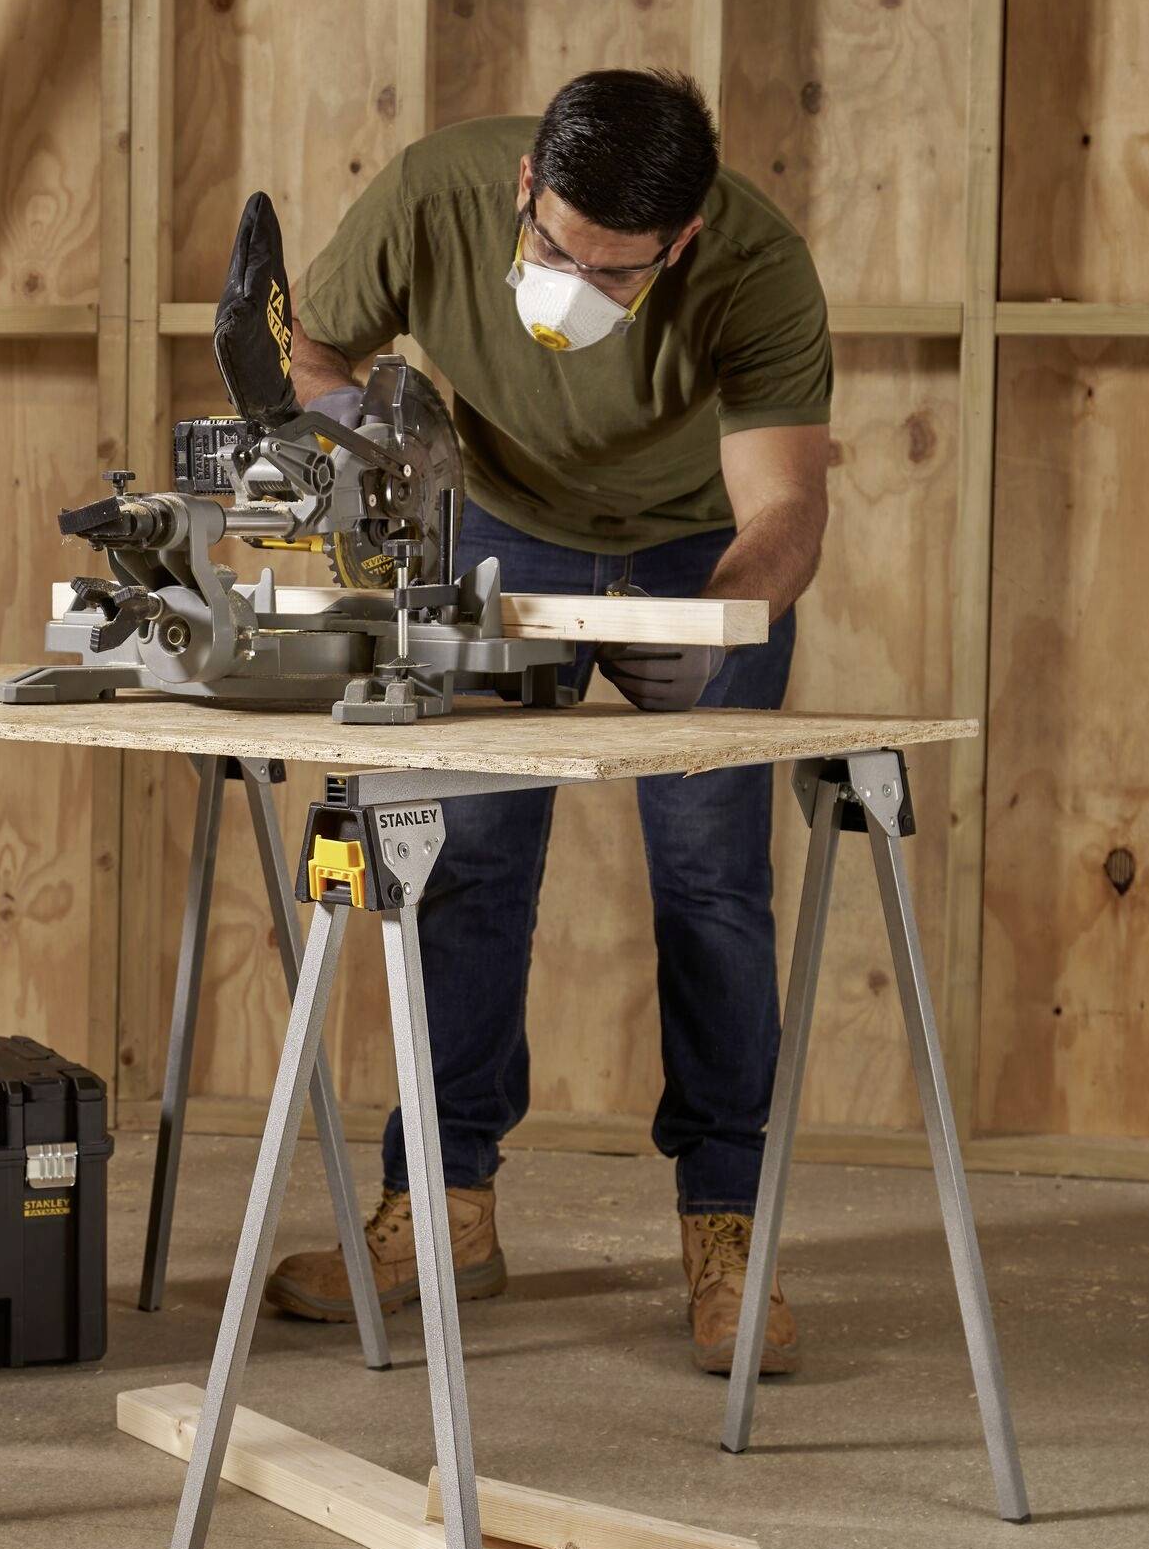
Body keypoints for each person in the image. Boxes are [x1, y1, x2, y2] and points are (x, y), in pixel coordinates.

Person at [263, 69, 830, 1374]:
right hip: (500, 526)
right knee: (464, 867)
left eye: (619, 273)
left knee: (713, 884)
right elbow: (309, 346)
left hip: (698, 549)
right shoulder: (434, 194)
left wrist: (716, 627)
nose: (575, 284)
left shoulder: (756, 269)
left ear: (680, 244)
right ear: (526, 186)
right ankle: (445, 1209)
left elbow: (783, 509)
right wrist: (353, 462)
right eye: (553, 247)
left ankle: (729, 1224)